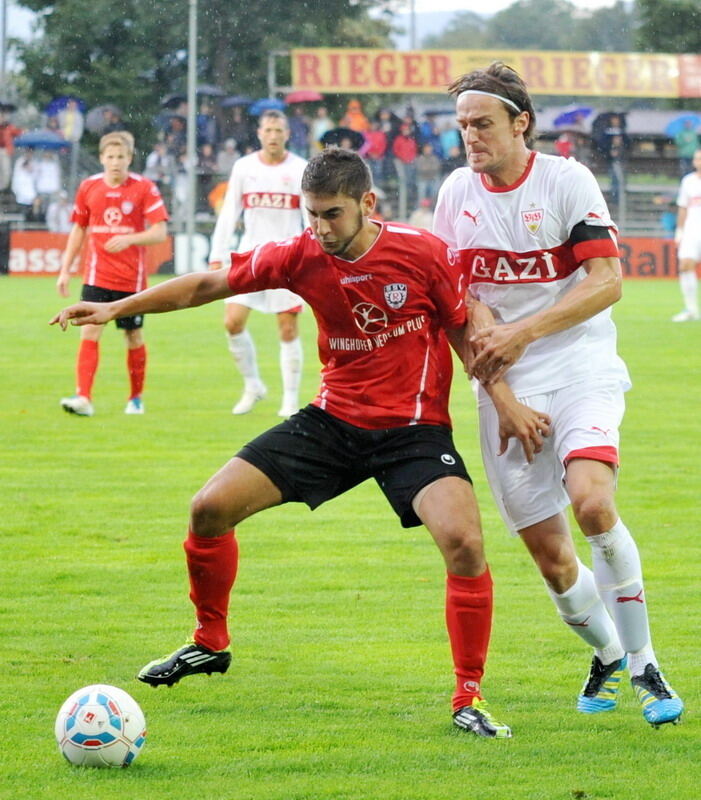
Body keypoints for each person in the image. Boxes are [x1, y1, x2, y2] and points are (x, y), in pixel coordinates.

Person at [51, 148, 549, 738]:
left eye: (331, 214)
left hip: (412, 431)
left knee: (464, 542)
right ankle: (210, 641)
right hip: (331, 421)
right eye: (310, 214)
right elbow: (209, 284)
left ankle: (468, 697)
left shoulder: (421, 252)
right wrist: (116, 308)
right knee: (207, 508)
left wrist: (506, 402)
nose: (319, 228)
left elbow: (464, 330)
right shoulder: (302, 252)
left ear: (367, 203)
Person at [433, 61, 684, 728]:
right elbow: (455, 308)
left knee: (592, 505)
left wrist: (521, 331)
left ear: (520, 123)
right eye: (461, 126)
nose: (470, 137)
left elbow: (605, 281)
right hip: (503, 387)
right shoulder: (454, 193)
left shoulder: (566, 180)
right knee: (550, 558)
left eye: (481, 124)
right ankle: (605, 652)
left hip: (579, 363)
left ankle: (645, 665)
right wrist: (502, 389)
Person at [55, 131, 169, 417]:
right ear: (102, 158)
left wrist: (130, 239)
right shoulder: (89, 187)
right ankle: (83, 397)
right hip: (96, 277)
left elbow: (160, 232)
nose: (115, 162)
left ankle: (135, 399)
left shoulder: (144, 188)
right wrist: (65, 270)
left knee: (133, 335)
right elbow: (79, 229)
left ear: (129, 158)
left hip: (132, 279)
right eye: (110, 157)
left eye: (121, 157)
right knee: (90, 332)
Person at [209, 110, 307, 417]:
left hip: (287, 257)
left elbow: (308, 218)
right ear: (259, 133)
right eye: (268, 130)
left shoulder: (300, 169)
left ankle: (290, 399)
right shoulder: (244, 167)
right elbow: (229, 213)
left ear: (287, 134)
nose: (273, 135)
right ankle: (253, 385)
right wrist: (218, 253)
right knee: (232, 322)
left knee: (287, 328)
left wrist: (311, 256)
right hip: (249, 256)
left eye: (279, 130)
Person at [672, 147, 701, 322]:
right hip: (691, 230)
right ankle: (691, 309)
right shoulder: (688, 181)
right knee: (685, 265)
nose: (699, 162)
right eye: (697, 159)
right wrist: (679, 231)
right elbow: (682, 207)